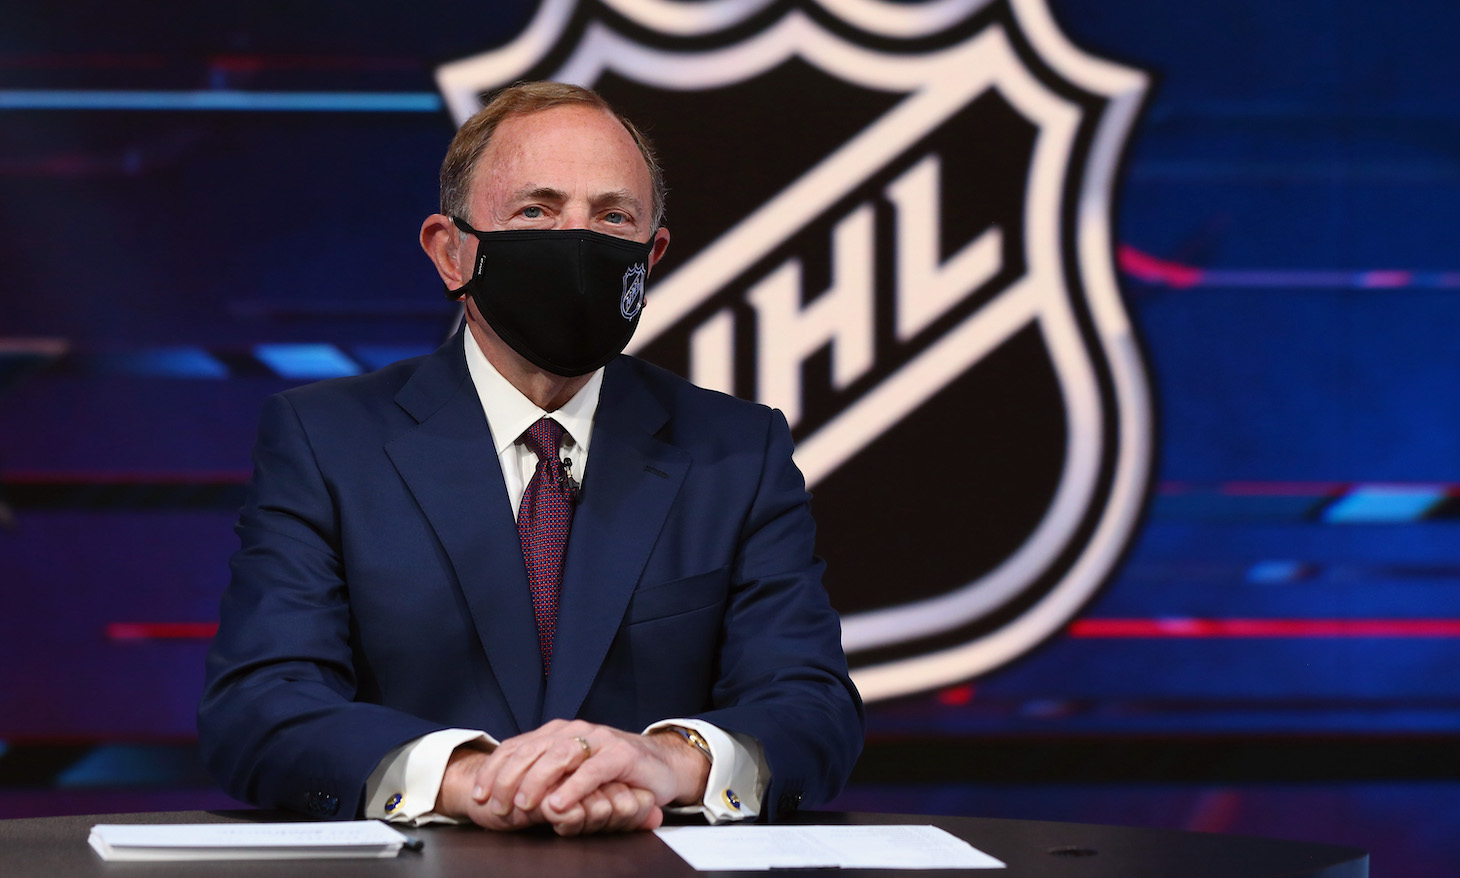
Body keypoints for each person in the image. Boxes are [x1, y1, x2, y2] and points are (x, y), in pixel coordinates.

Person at [197, 81, 863, 836]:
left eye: (613, 217)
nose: (577, 242)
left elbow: (812, 707)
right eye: (536, 211)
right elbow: (261, 705)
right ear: (451, 253)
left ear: (653, 255)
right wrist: (469, 778)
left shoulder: (737, 451)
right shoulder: (325, 441)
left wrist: (668, 762)